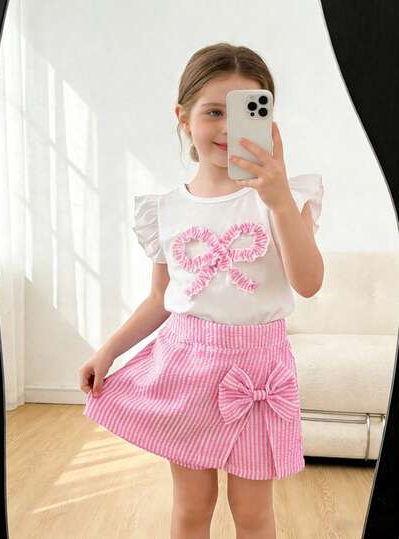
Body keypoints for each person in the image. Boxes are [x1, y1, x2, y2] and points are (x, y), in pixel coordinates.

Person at [79, 42, 324, 539]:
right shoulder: (165, 209)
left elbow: (308, 283)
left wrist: (277, 200)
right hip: (185, 366)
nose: (229, 128)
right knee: (192, 506)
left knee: (252, 511)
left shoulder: (285, 199)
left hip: (258, 374)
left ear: (268, 119)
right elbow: (159, 300)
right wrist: (108, 351)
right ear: (184, 117)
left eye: (246, 111)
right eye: (214, 112)